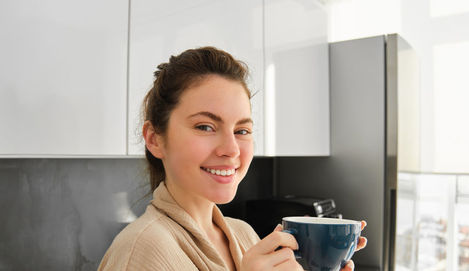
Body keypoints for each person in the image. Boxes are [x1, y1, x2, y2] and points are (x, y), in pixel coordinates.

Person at [98, 46, 367, 270]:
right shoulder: (142, 251)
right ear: (155, 138)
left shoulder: (243, 235)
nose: (232, 149)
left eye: (242, 130)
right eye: (205, 127)